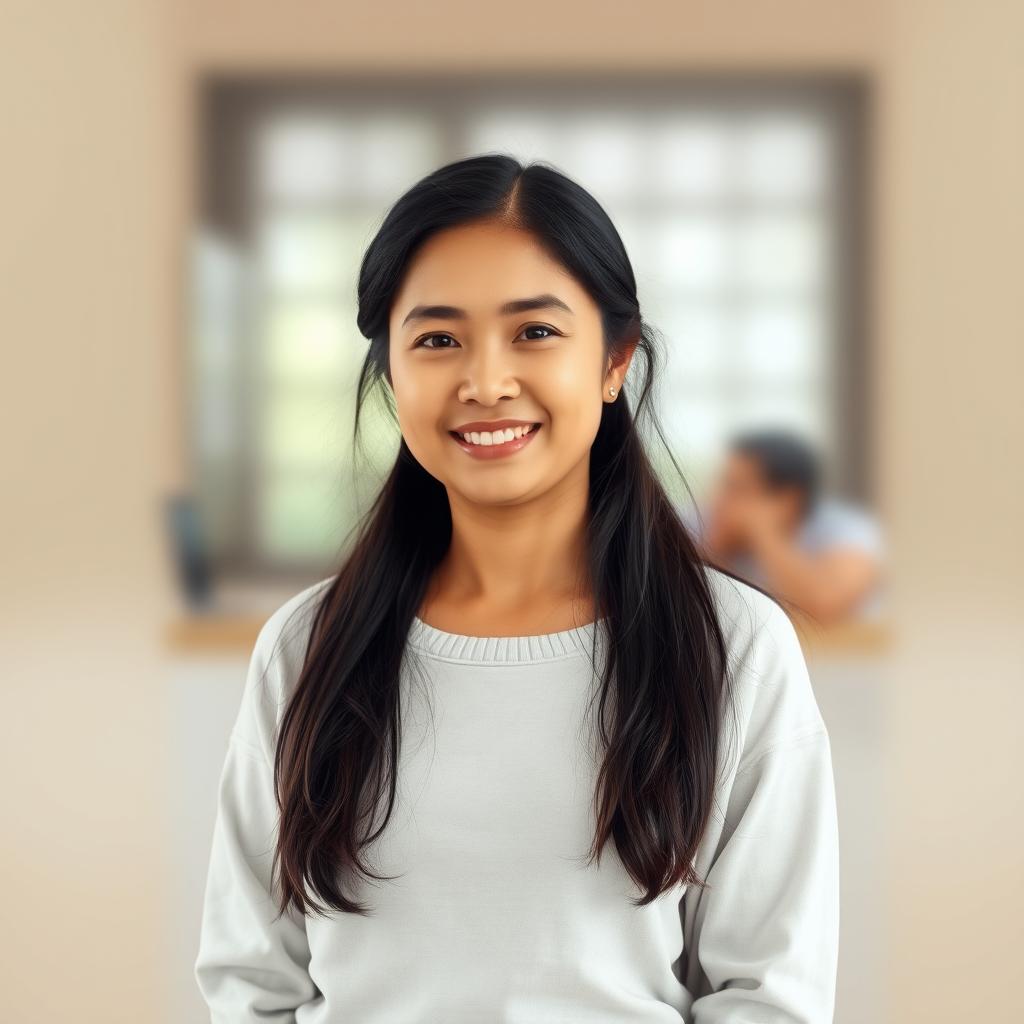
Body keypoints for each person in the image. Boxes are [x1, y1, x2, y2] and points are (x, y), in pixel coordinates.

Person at [194, 155, 840, 1023]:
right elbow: (251, 983)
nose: (486, 381)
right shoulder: (307, 647)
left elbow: (771, 994)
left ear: (615, 360)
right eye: (436, 338)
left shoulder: (734, 646)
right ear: (390, 370)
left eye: (534, 333)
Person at [685, 430, 885, 626]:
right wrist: (715, 551)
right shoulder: (704, 520)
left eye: (738, 489)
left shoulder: (848, 529)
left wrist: (764, 535)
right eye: (723, 485)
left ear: (788, 499)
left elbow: (824, 603)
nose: (721, 499)